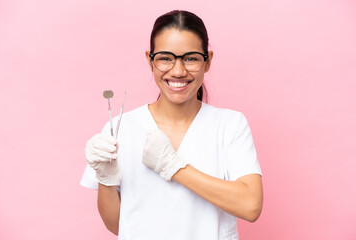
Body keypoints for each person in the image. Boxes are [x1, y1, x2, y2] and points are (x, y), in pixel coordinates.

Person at [81, 10, 263, 240]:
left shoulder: (230, 125)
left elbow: (250, 206)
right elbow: (118, 226)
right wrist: (106, 179)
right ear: (150, 60)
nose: (178, 71)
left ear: (208, 62)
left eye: (191, 58)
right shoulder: (121, 128)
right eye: (165, 58)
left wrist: (174, 167)